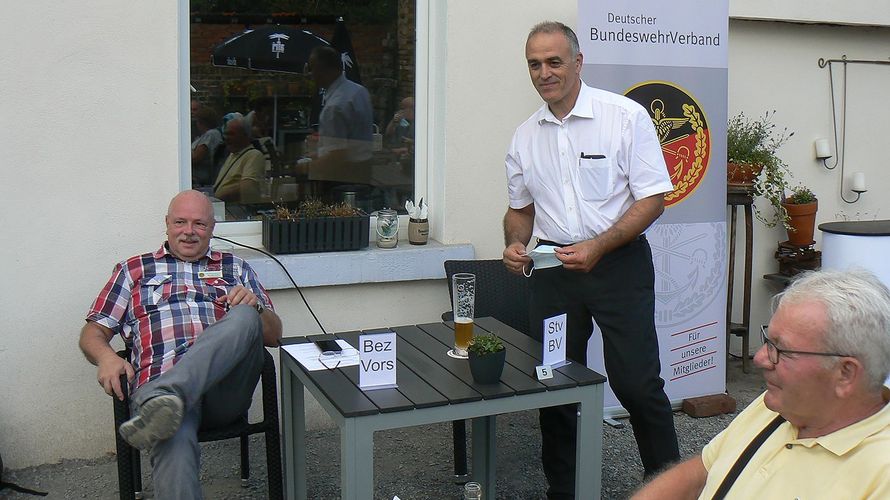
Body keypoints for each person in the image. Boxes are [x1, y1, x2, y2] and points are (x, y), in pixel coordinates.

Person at [502, 21, 679, 498]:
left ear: (578, 63)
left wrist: (599, 245)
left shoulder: (624, 117)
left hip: (618, 266)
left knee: (638, 385)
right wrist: (515, 244)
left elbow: (653, 200)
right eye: (535, 64)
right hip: (553, 273)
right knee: (555, 384)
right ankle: (566, 490)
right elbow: (520, 209)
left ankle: (668, 486)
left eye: (554, 61)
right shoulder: (523, 137)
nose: (544, 73)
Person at [79, 190, 282, 499]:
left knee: (244, 315)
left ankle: (167, 395)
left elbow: (274, 335)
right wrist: (106, 357)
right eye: (180, 222)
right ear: (167, 225)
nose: (189, 231)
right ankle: (166, 401)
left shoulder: (236, 268)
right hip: (159, 388)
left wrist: (254, 308)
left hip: (222, 392)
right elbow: (92, 333)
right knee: (169, 428)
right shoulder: (132, 270)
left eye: (199, 223)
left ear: (213, 228)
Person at [634, 269, 890, 499]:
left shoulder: (880, 474)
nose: (760, 358)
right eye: (768, 339)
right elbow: (702, 471)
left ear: (845, 373)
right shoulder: (780, 405)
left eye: (783, 349)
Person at [304, 45, 374, 191]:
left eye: (312, 69)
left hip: (342, 179)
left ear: (323, 69)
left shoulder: (335, 106)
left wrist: (304, 167)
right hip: (364, 171)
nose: (310, 74)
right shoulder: (359, 91)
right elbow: (354, 141)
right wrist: (321, 151)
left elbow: (337, 157)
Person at [213, 116, 265, 204]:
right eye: (226, 134)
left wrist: (217, 198)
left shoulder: (254, 155)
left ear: (245, 135)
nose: (226, 138)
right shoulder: (232, 154)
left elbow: (248, 188)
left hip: (237, 211)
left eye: (231, 134)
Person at [191, 106, 223, 187]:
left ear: (201, 122)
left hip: (201, 180)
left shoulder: (211, 134)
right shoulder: (204, 135)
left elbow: (196, 158)